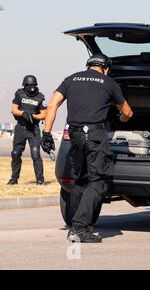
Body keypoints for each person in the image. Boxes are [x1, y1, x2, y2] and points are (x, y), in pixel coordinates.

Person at [41, 53, 133, 243]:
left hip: (74, 134)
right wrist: (117, 120)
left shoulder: (71, 79)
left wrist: (47, 134)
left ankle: (78, 224)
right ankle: (79, 228)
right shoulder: (108, 82)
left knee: (80, 180)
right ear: (106, 68)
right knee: (98, 182)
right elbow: (127, 112)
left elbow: (52, 105)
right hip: (95, 135)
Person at [7, 75, 47, 185]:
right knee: (15, 153)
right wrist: (23, 113)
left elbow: (44, 115)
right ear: (25, 85)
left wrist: (33, 116)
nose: (32, 87)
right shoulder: (19, 93)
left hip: (33, 129)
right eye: (30, 85)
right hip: (20, 127)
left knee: (35, 154)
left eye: (34, 85)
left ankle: (40, 180)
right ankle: (14, 179)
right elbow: (14, 109)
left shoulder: (40, 97)